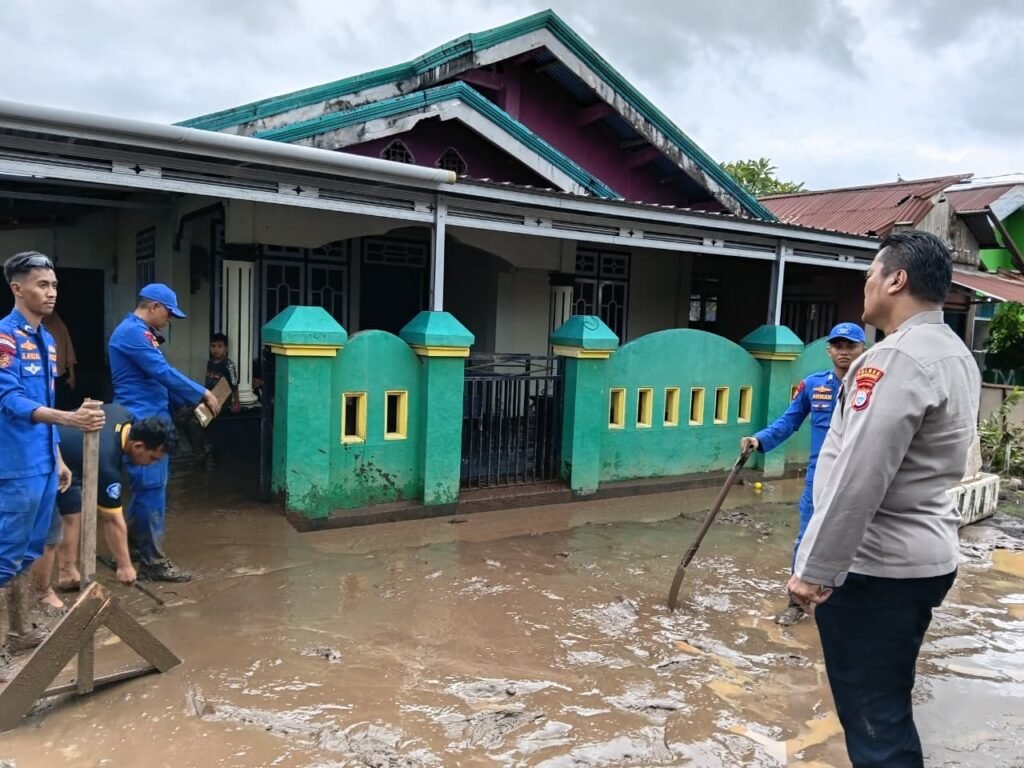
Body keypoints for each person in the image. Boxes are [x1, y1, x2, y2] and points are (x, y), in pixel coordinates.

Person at [787, 231, 980, 767]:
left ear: (896, 279)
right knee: (888, 699)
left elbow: (860, 475)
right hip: (925, 556)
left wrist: (814, 569)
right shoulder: (954, 353)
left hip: (877, 567)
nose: (865, 286)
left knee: (875, 720)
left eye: (870, 275)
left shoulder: (895, 359)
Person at [0, 252, 105, 680]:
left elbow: (44, 399)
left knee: (28, 552)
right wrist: (69, 420)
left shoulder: (45, 339)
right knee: (4, 556)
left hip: (43, 462)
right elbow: (10, 400)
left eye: (54, 285)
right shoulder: (4, 338)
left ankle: (19, 633)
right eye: (42, 285)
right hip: (15, 465)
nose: (52, 293)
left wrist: (59, 457)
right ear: (17, 288)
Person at [740, 322, 866, 625]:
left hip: (859, 478)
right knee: (808, 537)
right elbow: (789, 421)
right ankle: (797, 603)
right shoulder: (813, 385)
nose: (844, 352)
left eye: (851, 346)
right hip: (819, 477)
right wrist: (759, 440)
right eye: (838, 346)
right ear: (829, 350)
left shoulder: (874, 388)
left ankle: (847, 602)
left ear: (864, 350)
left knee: (859, 540)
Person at [108, 283, 221, 583]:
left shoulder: (140, 332)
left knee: (147, 489)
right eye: (168, 313)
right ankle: (153, 562)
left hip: (152, 416)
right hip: (143, 422)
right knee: (152, 489)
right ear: (154, 306)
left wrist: (182, 405)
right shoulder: (132, 333)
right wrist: (202, 392)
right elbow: (162, 372)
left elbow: (157, 378)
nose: (169, 320)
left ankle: (130, 546)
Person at [32, 405, 179, 605]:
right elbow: (112, 520)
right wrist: (125, 566)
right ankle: (42, 594)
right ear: (138, 446)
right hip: (42, 459)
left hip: (69, 460)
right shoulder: (106, 463)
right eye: (153, 458)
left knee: (73, 511)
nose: (152, 463)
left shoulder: (122, 413)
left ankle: (67, 573)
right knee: (49, 533)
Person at [173, 332, 240, 469]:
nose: (216, 349)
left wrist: (237, 403)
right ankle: (198, 448)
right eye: (213, 346)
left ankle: (200, 453)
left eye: (220, 346)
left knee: (194, 422)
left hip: (220, 401)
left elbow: (234, 385)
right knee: (181, 417)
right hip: (207, 398)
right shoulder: (210, 362)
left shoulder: (228, 365)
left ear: (226, 348)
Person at [42, 308, 78, 410]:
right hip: (43, 375)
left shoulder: (60, 328)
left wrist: (72, 376)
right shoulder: (37, 329)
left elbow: (69, 351)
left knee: (60, 404)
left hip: (59, 375)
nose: (46, 317)